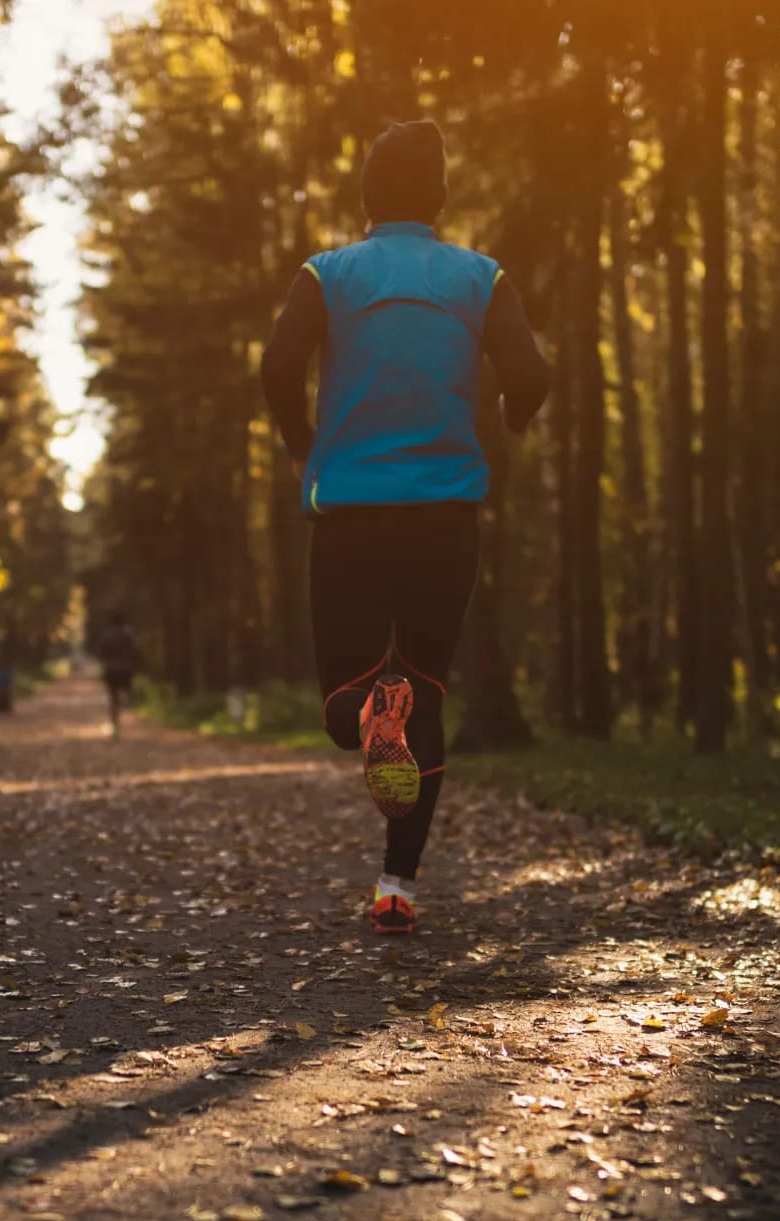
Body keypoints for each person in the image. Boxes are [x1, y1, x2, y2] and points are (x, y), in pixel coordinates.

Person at [261, 119, 550, 936]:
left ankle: (361, 702)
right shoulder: (479, 278)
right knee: (422, 691)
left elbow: (279, 367)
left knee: (341, 701)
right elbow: (530, 372)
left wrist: (300, 446)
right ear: (441, 198)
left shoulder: (328, 274)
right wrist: (511, 411)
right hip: (445, 515)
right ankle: (398, 887)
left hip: (349, 510)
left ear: (365, 199)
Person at [93, 611, 143, 740]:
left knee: (113, 698)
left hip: (111, 670)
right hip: (127, 670)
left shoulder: (107, 635)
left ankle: (115, 726)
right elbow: (137, 651)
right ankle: (125, 699)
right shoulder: (129, 634)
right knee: (125, 691)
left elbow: (100, 653)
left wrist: (106, 661)